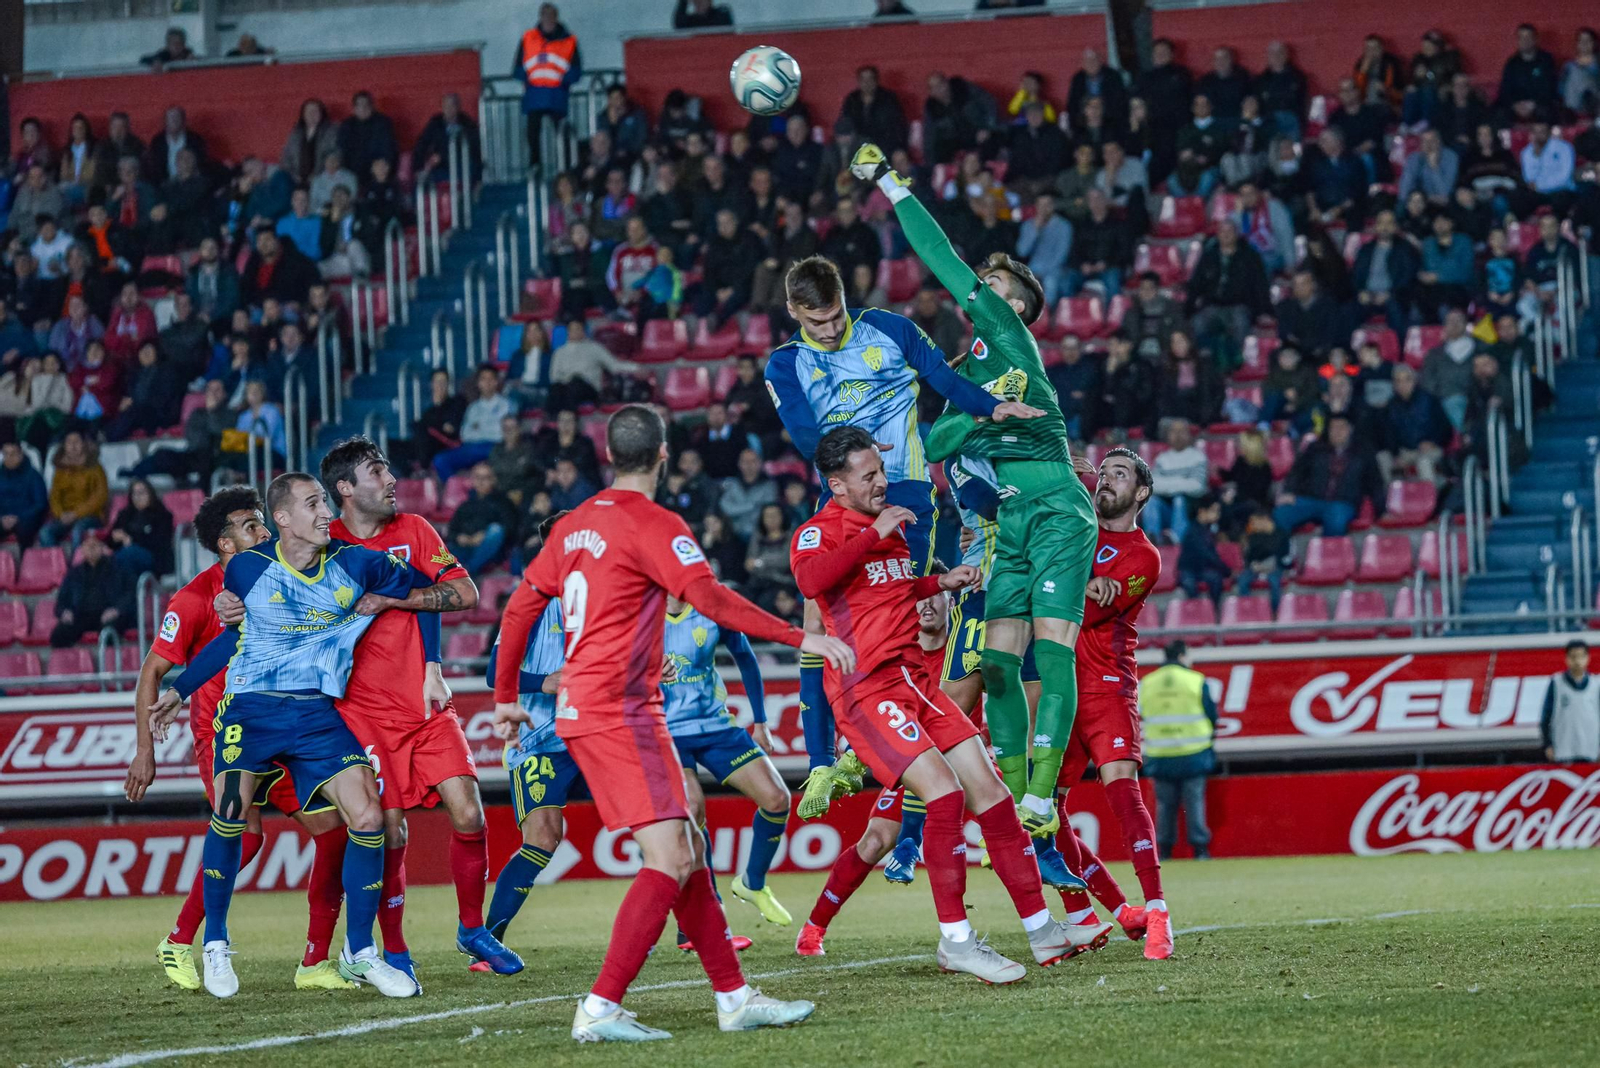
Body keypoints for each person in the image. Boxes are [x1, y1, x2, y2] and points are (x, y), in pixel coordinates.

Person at [492, 405, 845, 1041]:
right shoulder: (653, 523)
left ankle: (734, 997)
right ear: (662, 453)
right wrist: (800, 635)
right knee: (669, 858)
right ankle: (600, 1008)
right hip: (618, 712)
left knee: (688, 848)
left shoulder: (572, 527)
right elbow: (711, 599)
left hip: (595, 711)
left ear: (608, 454)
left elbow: (519, 607)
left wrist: (501, 698)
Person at [792, 425, 1109, 978]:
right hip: (867, 690)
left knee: (990, 793)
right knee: (941, 798)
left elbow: (889, 594)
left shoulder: (885, 530)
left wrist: (940, 584)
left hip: (917, 684)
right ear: (836, 485)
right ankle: (956, 942)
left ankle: (1042, 932)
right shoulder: (820, 532)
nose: (882, 484)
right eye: (868, 477)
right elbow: (811, 580)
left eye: (882, 472)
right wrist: (873, 535)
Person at [858, 141, 1102, 834]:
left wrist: (893, 187)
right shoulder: (976, 380)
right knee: (998, 666)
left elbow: (941, 261)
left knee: (1052, 648)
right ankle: (1020, 797)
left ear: (1019, 307)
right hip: (1013, 525)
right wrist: (978, 412)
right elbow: (934, 446)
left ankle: (1042, 796)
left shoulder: (1010, 338)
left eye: (995, 286)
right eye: (986, 286)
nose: (982, 291)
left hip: (1055, 505)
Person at [149, 472, 465, 999]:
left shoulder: (357, 562)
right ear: (284, 519)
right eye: (314, 504)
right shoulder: (251, 567)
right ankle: (215, 944)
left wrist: (403, 614)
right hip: (251, 710)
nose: (326, 513)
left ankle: (360, 952)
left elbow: (439, 593)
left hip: (318, 713)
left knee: (366, 816)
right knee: (232, 813)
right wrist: (181, 691)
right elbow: (231, 642)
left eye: (325, 502)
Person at [765, 253, 1033, 814]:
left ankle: (884, 748)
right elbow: (804, 434)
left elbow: (941, 379)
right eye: (817, 323)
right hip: (839, 494)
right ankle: (823, 765)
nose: (831, 330)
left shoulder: (889, 329)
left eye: (836, 317)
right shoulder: (786, 365)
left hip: (904, 489)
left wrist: (990, 406)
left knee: (900, 610)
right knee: (817, 620)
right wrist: (854, 454)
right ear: (793, 311)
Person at [128, 487, 354, 992]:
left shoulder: (282, 574)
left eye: (263, 522)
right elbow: (154, 669)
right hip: (225, 736)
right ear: (225, 543)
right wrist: (145, 749)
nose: (264, 531)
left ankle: (315, 962)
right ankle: (185, 939)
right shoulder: (195, 597)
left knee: (335, 831)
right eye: (251, 525)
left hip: (285, 728)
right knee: (247, 835)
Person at [1047, 448, 1172, 959]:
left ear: (1140, 492)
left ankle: (1159, 909)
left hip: (1104, 684)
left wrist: (1089, 586)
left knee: (1123, 792)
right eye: (1103, 473)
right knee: (1046, 812)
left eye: (1119, 474)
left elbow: (1096, 610)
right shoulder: (1078, 527)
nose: (1106, 481)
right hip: (1056, 687)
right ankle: (1121, 911)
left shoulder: (1143, 555)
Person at [661, 591, 794, 933]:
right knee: (693, 808)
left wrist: (761, 721)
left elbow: (745, 656)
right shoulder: (640, 610)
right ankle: (703, 917)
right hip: (665, 730)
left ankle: (752, 882)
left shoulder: (711, 604)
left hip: (716, 725)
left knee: (777, 799)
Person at [1140, 642, 1217, 861]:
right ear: (1183, 655)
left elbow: (1142, 713)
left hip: (1160, 753)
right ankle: (1200, 850)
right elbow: (1211, 714)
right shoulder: (1196, 679)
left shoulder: (1148, 682)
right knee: (1194, 803)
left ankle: (1164, 851)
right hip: (1194, 751)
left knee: (1164, 806)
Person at [1272, 414, 1384, 536]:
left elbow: (1376, 483)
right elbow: (1297, 473)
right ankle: (1286, 552)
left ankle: (1327, 553)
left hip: (1343, 503)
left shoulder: (1363, 452)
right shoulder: (1315, 449)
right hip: (1311, 500)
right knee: (1281, 514)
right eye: (1333, 428)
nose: (1337, 432)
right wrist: (1289, 492)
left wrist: (1382, 511)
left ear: (1349, 430)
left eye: (1341, 428)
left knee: (1336, 518)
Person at [515, 4, 582, 169]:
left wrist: (563, 81)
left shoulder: (569, 40)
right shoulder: (528, 38)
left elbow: (576, 70)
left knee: (562, 132)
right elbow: (517, 68)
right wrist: (528, 78)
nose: (548, 19)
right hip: (535, 95)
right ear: (540, 16)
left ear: (556, 17)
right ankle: (535, 164)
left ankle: (566, 165)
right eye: (545, 15)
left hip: (557, 95)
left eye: (551, 15)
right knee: (532, 132)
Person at [48, 531, 133, 648]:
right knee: (58, 635)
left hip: (107, 613)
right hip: (81, 615)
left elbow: (130, 594)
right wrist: (64, 612)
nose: (91, 549)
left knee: (109, 632)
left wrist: (116, 610)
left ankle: (111, 664)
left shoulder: (118, 568)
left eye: (95, 545)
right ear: (82, 549)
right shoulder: (74, 573)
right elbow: (61, 601)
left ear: (102, 548)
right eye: (88, 546)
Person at [433, 365, 514, 481]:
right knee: (441, 460)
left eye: (490, 379)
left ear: (496, 382)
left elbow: (502, 434)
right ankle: (456, 489)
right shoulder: (473, 408)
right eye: (483, 379)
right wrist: (487, 429)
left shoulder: (506, 405)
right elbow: (465, 434)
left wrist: (479, 429)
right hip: (471, 447)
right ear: (478, 383)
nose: (487, 383)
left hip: (494, 446)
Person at [1377, 364, 1451, 484]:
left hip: (1430, 448)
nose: (1403, 384)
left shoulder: (1429, 400)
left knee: (1424, 462)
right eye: (1398, 381)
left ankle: (1429, 501)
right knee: (1383, 458)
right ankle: (1393, 498)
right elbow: (1388, 434)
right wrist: (1395, 454)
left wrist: (1432, 441)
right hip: (1405, 451)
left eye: (1407, 379)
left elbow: (1446, 429)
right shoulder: (1390, 406)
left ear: (1415, 381)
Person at [447, 461, 520, 577]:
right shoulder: (466, 504)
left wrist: (483, 536)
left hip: (489, 550)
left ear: (493, 480)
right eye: (477, 477)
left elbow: (509, 528)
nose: (480, 482)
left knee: (496, 530)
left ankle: (468, 571)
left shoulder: (504, 502)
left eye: (485, 478)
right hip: (465, 547)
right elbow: (452, 530)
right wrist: (460, 537)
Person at [1142, 419, 1208, 545]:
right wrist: (1182, 482)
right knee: (1151, 501)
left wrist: (1168, 484)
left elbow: (1198, 486)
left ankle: (1175, 539)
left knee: (1179, 499)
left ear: (1189, 435)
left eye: (1181, 432)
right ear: (1168, 436)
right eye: (1173, 432)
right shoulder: (1162, 459)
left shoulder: (1198, 457)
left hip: (1189, 511)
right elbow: (1152, 486)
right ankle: (1151, 538)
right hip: (1167, 509)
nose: (1177, 436)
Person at [39, 430, 108, 550]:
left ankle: (77, 566)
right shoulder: (60, 470)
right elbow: (54, 497)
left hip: (90, 516)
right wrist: (61, 514)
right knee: (45, 532)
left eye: (77, 442)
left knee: (78, 531)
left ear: (83, 444)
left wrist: (76, 514)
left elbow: (100, 497)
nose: (73, 446)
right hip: (65, 517)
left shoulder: (95, 468)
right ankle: (56, 564)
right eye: (69, 442)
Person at [1063, 188, 1131, 298]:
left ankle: (1114, 314)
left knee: (1113, 282)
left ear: (1105, 200)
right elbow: (1074, 250)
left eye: (1098, 198)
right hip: (1085, 269)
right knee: (1066, 281)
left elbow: (1124, 251)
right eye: (1092, 200)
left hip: (1109, 267)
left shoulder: (1118, 224)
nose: (1096, 203)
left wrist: (1106, 263)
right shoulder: (1081, 225)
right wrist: (1082, 264)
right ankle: (1070, 313)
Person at [1542, 641, 1597, 764]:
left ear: (1588, 658)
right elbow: (1546, 717)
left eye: (1581, 656)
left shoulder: (1596, 684)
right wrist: (1548, 744)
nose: (1577, 661)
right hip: (1563, 752)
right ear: (1566, 659)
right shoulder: (1556, 683)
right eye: (1573, 657)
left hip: (1591, 752)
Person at [107, 477, 174, 578]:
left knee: (128, 555)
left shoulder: (162, 515)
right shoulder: (125, 514)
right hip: (125, 557)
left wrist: (130, 540)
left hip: (154, 559)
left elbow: (159, 543)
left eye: (141, 493)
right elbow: (110, 540)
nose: (138, 497)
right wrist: (115, 538)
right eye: (134, 493)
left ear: (150, 494)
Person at [413, 93, 483, 187]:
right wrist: (419, 167)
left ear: (458, 107)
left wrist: (441, 156)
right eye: (445, 106)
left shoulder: (468, 124)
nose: (448, 109)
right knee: (421, 181)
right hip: (441, 167)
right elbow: (422, 144)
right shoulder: (435, 123)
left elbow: (473, 149)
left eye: (451, 105)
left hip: (462, 166)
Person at [1016, 191, 1072, 307]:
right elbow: (1022, 251)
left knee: (1050, 282)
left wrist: (1042, 273)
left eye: (1047, 205)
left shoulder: (1064, 226)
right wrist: (1035, 230)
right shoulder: (1028, 225)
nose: (1044, 209)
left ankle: (1046, 317)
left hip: (1055, 268)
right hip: (1034, 266)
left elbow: (1061, 255)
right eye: (1041, 205)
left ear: (1053, 206)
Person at [838, 65, 908, 156]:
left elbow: (898, 126)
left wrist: (898, 148)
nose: (867, 83)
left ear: (876, 80)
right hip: (858, 148)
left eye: (870, 79)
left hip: (884, 147)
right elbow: (845, 124)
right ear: (859, 81)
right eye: (863, 79)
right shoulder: (851, 100)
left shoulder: (888, 98)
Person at [1497, 23, 1558, 122]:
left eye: (1528, 37)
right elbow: (1505, 89)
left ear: (1535, 39)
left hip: (1539, 104)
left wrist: (1533, 104)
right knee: (1500, 114)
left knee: (1547, 112)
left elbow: (1550, 87)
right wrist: (1515, 105)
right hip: (1516, 106)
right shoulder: (1512, 63)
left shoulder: (1546, 60)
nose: (1525, 41)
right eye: (1521, 38)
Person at [0, 440, 48, 548]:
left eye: (13, 454)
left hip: (26, 519)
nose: (9, 458)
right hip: (4, 518)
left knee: (25, 530)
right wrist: (2, 518)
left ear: (21, 455)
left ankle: (25, 562)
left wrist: (18, 518)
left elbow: (40, 504)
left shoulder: (33, 476)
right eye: (6, 454)